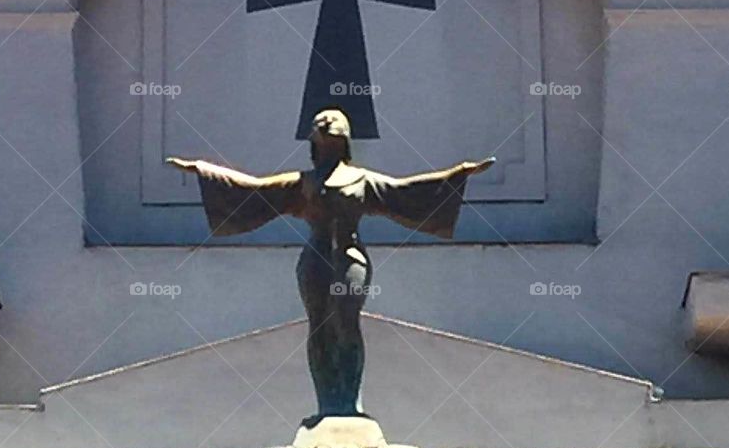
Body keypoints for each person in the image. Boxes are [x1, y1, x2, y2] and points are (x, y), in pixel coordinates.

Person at [168, 108, 494, 425]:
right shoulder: (302, 182)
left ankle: (349, 402)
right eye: (322, 131)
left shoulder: (362, 180)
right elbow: (253, 190)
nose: (327, 135)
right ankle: (327, 402)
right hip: (316, 257)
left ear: (344, 139)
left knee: (346, 319)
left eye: (332, 129)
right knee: (319, 325)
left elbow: (406, 192)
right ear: (314, 141)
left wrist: (458, 174)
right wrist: (203, 171)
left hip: (350, 256)